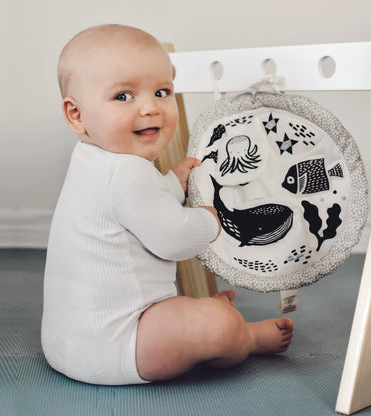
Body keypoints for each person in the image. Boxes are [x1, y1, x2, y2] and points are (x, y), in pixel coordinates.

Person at [41, 23, 293, 386]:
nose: (150, 108)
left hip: (68, 344)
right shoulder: (128, 172)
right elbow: (173, 238)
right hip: (121, 346)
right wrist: (211, 219)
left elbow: (134, 211)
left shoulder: (89, 162)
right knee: (216, 324)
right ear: (76, 114)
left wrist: (172, 183)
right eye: (123, 96)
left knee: (189, 313)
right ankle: (248, 338)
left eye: (162, 91)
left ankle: (197, 320)